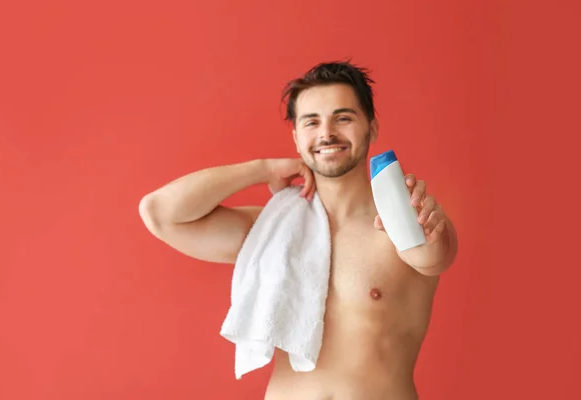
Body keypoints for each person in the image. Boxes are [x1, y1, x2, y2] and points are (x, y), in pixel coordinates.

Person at [138, 61, 458, 400]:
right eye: (311, 122)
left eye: (343, 117)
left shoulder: (408, 222)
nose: (327, 133)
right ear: (296, 138)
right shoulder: (273, 231)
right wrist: (261, 169)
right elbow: (159, 213)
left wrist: (424, 229)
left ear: (372, 128)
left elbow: (434, 256)